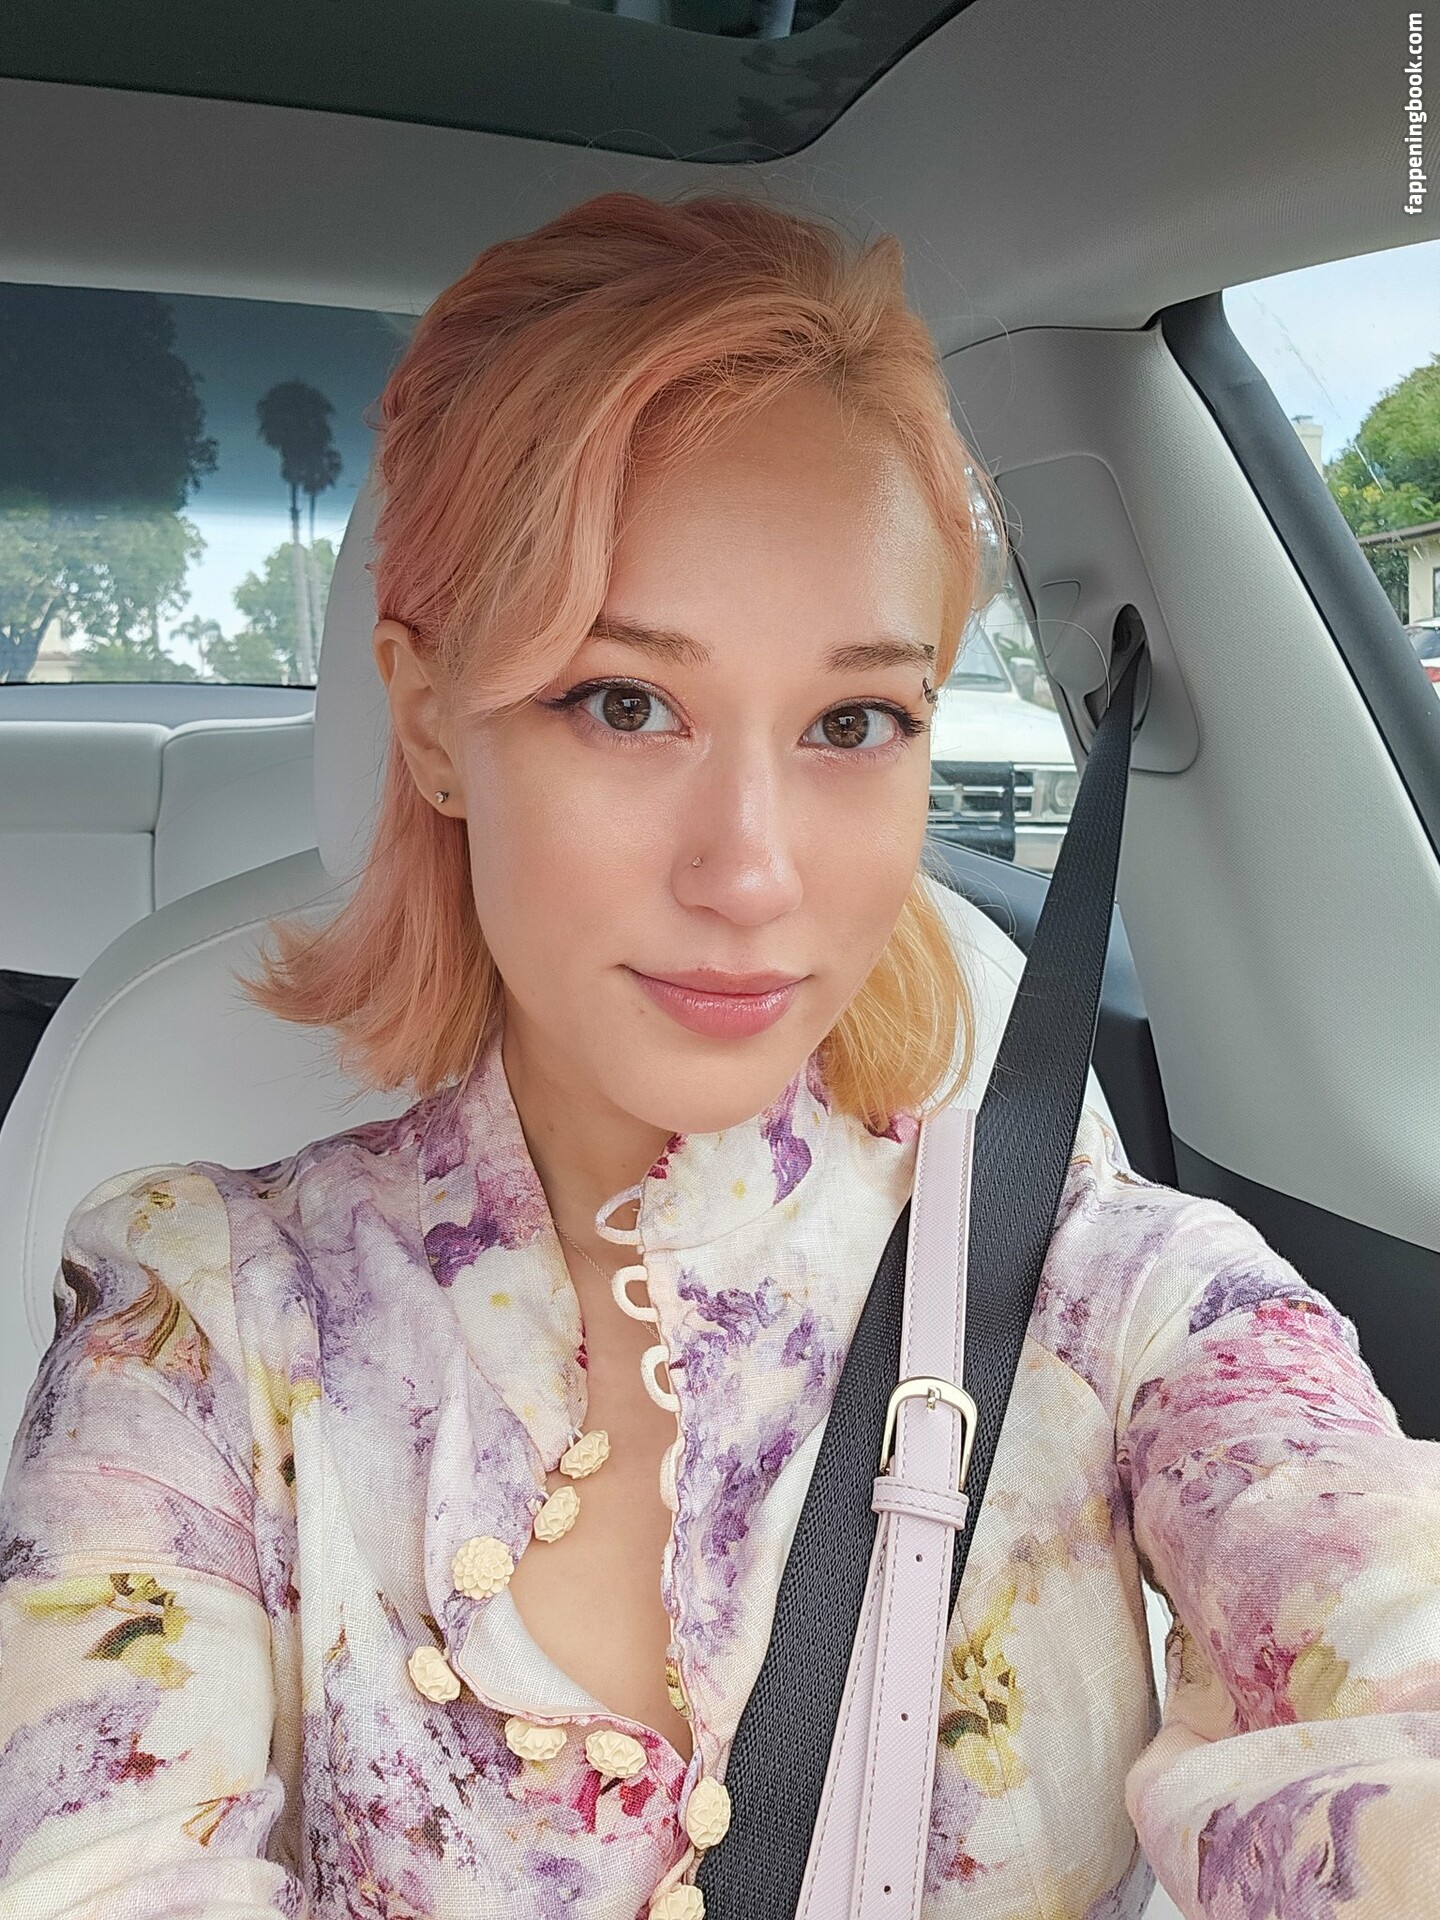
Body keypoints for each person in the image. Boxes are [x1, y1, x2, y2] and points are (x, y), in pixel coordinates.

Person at [0, 189, 1436, 1920]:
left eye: (854, 721)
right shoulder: (193, 1330)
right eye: (625, 702)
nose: (751, 875)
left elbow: (1381, 1646)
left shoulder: (1109, 1290)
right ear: (432, 718)